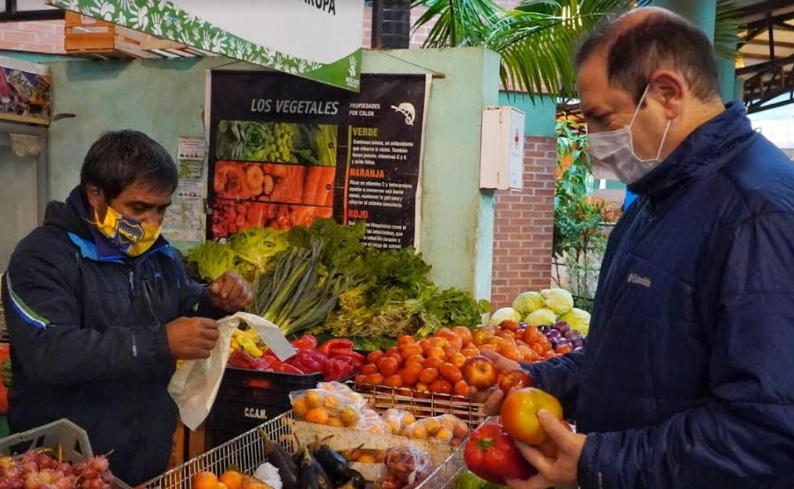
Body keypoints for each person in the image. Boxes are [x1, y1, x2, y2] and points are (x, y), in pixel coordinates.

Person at [479, 7, 794, 489]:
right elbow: (635, 355)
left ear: (667, 93)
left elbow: (764, 431)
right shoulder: (657, 199)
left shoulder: (757, 215)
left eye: (602, 117)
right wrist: (538, 380)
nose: (593, 141)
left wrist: (603, 462)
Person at [0, 130, 253, 485]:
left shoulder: (160, 255)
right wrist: (159, 342)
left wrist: (212, 301)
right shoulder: (43, 257)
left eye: (161, 209)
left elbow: (181, 300)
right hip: (65, 465)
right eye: (138, 208)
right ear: (96, 195)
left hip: (145, 455)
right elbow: (48, 351)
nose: (152, 223)